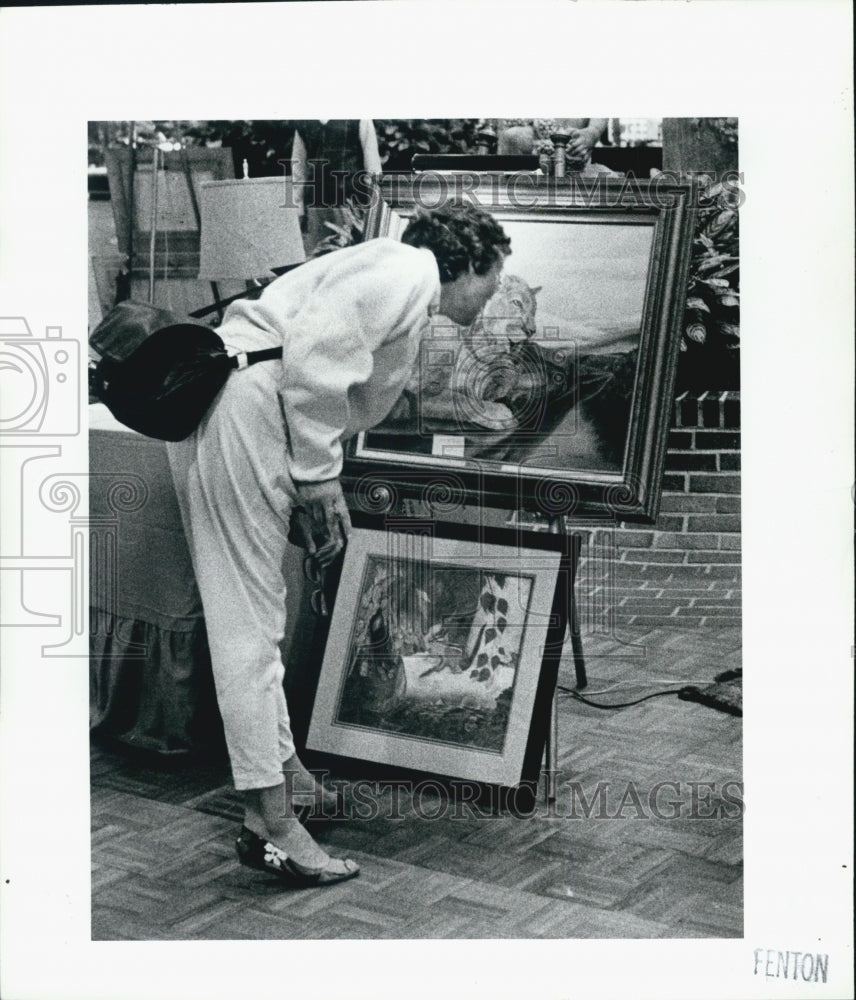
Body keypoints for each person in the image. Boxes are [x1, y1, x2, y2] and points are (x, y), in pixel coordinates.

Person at [166, 203, 511, 888]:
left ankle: (286, 783)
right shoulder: (411, 268)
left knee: (260, 620)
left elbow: (330, 364)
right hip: (250, 403)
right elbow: (317, 360)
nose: (494, 295)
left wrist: (313, 471)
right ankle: (272, 824)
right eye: (494, 279)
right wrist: (319, 482)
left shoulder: (388, 269)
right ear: (466, 263)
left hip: (243, 403)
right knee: (249, 628)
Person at [291, 119, 382, 255]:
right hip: (316, 204)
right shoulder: (304, 122)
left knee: (349, 258)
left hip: (351, 205)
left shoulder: (359, 118)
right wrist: (298, 209)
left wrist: (374, 208)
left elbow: (373, 169)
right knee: (317, 258)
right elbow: (298, 170)